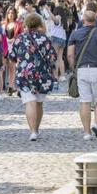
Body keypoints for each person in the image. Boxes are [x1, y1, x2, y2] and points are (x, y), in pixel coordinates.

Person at [9, 13, 57, 141]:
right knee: (39, 103)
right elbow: (53, 57)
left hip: (25, 75)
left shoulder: (19, 38)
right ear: (39, 24)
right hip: (42, 75)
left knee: (30, 103)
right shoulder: (44, 38)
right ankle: (37, 129)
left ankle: (32, 132)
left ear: (26, 24)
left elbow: (12, 56)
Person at [67, 10, 97, 141]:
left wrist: (73, 68)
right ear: (95, 21)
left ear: (83, 20)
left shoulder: (75, 34)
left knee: (85, 102)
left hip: (82, 70)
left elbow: (70, 54)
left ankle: (87, 133)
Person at [2, 8, 22, 96]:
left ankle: (11, 86)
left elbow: (20, 35)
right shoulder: (4, 24)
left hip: (13, 47)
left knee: (12, 67)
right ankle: (4, 86)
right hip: (4, 47)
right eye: (9, 13)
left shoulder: (18, 24)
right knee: (3, 67)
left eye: (12, 13)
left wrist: (14, 39)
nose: (10, 14)